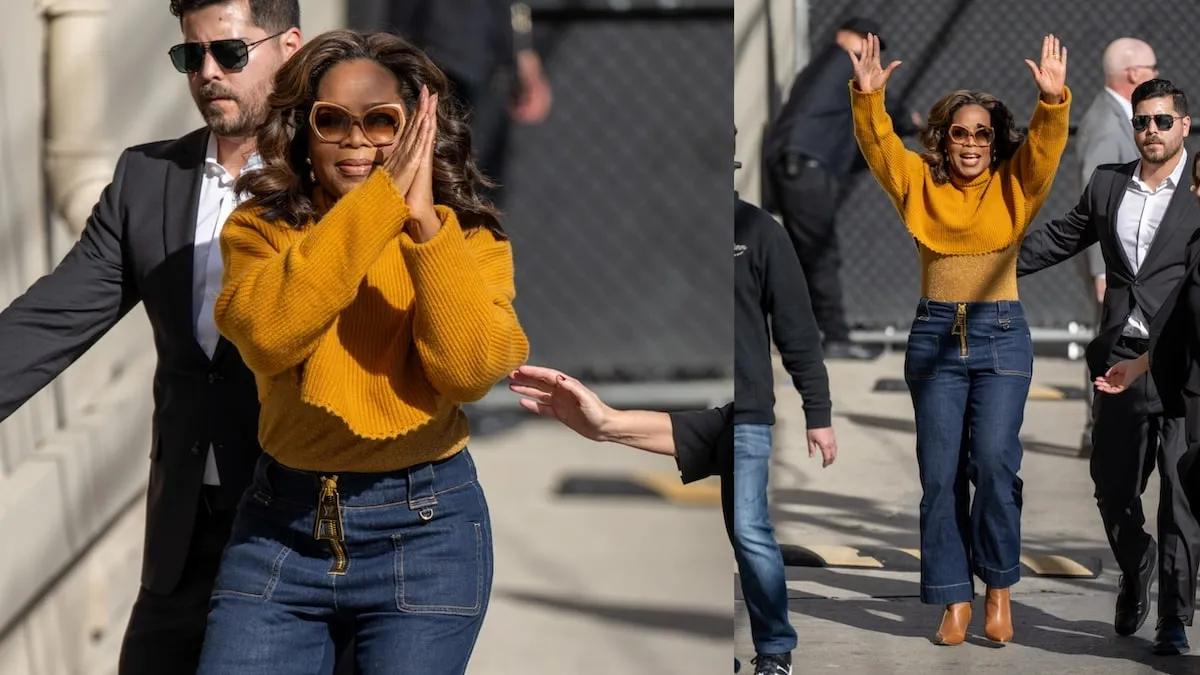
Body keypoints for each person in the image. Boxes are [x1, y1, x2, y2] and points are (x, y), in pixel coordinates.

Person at [196, 30, 528, 675]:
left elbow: (468, 374)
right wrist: (379, 207)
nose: (356, 140)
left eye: (382, 122)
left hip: (427, 530)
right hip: (279, 532)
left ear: (419, 132)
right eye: (332, 121)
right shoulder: (260, 230)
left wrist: (425, 226)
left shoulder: (469, 237)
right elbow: (267, 336)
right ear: (303, 130)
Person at [0, 1, 302, 672]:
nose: (208, 74)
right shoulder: (147, 179)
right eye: (190, 56)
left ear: (289, 46)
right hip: (183, 533)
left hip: (299, 528)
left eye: (229, 52)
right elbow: (52, 318)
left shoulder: (331, 177)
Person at [850, 33, 1070, 644]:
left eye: (982, 134)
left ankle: (998, 588)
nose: (971, 143)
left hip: (1003, 337)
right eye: (960, 132)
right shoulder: (918, 184)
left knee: (997, 465)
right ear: (943, 137)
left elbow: (1047, 149)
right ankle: (954, 599)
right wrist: (869, 99)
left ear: (994, 141)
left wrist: (1051, 102)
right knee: (940, 476)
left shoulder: (1015, 186)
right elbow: (879, 148)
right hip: (934, 340)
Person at [1018, 79, 1200, 655]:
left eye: (1162, 122)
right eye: (1142, 121)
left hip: (1186, 361)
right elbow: (1062, 237)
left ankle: (1174, 614)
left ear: (1185, 126)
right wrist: (983, 259)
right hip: (1122, 359)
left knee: (1181, 490)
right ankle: (1136, 558)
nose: (1150, 131)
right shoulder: (1108, 184)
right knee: (1112, 487)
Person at [762, 16, 920, 360]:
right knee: (820, 255)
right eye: (867, 43)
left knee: (807, 257)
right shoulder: (841, 63)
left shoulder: (822, 71)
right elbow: (878, 101)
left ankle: (803, 334)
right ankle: (834, 336)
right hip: (804, 167)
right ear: (845, 38)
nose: (871, 55)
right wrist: (910, 120)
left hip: (796, 166)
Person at [734, 184, 836, 673]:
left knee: (748, 529)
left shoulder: (758, 232)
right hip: (672, 412)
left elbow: (795, 327)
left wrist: (818, 413)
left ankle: (774, 651)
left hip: (743, 409)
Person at [1072, 37, 1159, 457]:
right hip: (1114, 265)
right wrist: (1102, 272)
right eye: (1153, 68)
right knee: (1111, 340)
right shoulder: (1108, 125)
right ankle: (1099, 428)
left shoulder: (1120, 117)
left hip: (1122, 264)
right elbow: (1098, 208)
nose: (1157, 75)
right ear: (1134, 75)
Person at [385, 0, 551, 207]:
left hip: (469, 57)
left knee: (467, 174)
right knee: (451, 173)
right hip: (450, 56)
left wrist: (524, 54)